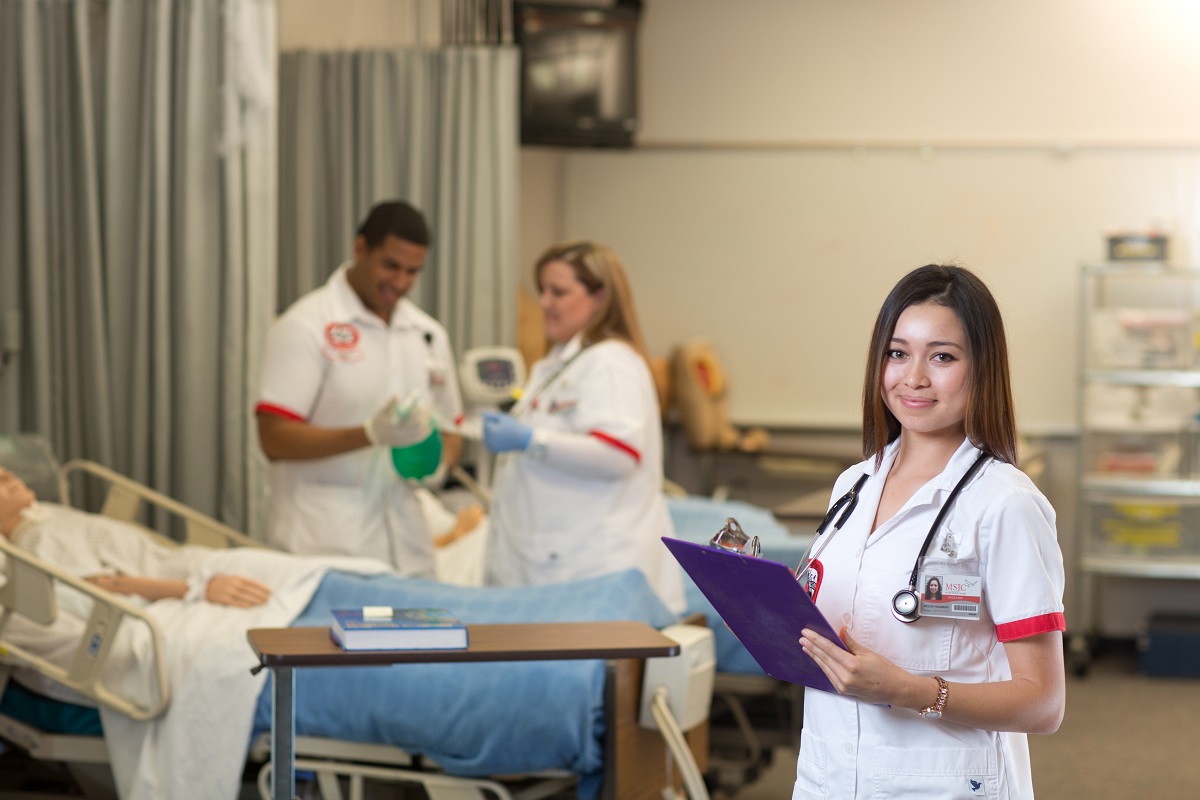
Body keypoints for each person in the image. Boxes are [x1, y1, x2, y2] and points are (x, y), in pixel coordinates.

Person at [793, 264, 1066, 799]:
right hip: (828, 776)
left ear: (981, 369)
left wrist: (909, 690)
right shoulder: (854, 484)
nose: (913, 376)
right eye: (897, 353)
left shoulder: (1005, 504)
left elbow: (1044, 704)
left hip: (942, 785)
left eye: (942, 356)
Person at [255, 200, 464, 576]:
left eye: (413, 271)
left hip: (408, 549)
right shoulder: (306, 326)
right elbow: (274, 439)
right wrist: (369, 434)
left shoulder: (427, 335)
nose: (400, 282)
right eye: (390, 266)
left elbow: (451, 428)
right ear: (360, 248)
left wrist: (435, 467)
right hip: (325, 547)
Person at [478, 241, 686, 614]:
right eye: (543, 290)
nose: (544, 302)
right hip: (560, 563)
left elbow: (618, 454)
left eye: (558, 292)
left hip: (594, 568)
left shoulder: (609, 362)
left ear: (599, 298)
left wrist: (529, 439)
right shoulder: (560, 363)